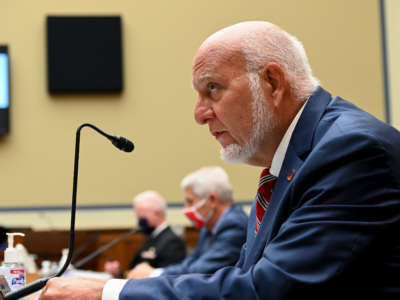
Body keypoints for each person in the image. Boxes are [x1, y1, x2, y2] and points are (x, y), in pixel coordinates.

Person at [39, 21, 400, 300]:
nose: (199, 114)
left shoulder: (351, 151)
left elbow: (268, 291)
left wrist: (106, 293)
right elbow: (244, 277)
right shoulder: (294, 160)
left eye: (212, 88)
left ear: (272, 83)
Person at [128, 166, 248, 279]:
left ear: (212, 200)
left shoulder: (234, 225)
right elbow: (190, 263)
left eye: (190, 202)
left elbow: (204, 270)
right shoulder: (208, 227)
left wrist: (153, 273)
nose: (186, 208)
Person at [104, 191, 186, 278]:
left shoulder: (172, 242)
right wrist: (118, 274)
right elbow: (135, 274)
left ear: (157, 213)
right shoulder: (152, 237)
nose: (140, 223)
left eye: (142, 218)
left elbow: (167, 279)